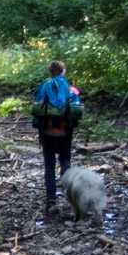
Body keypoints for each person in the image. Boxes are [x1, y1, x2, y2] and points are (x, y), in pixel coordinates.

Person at [31, 61, 81, 211]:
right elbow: (77, 112)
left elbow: (37, 109)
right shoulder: (71, 89)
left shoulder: (44, 86)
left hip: (47, 132)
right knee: (65, 162)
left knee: (49, 165)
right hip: (65, 132)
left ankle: (51, 201)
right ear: (63, 71)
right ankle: (70, 198)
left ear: (51, 72)